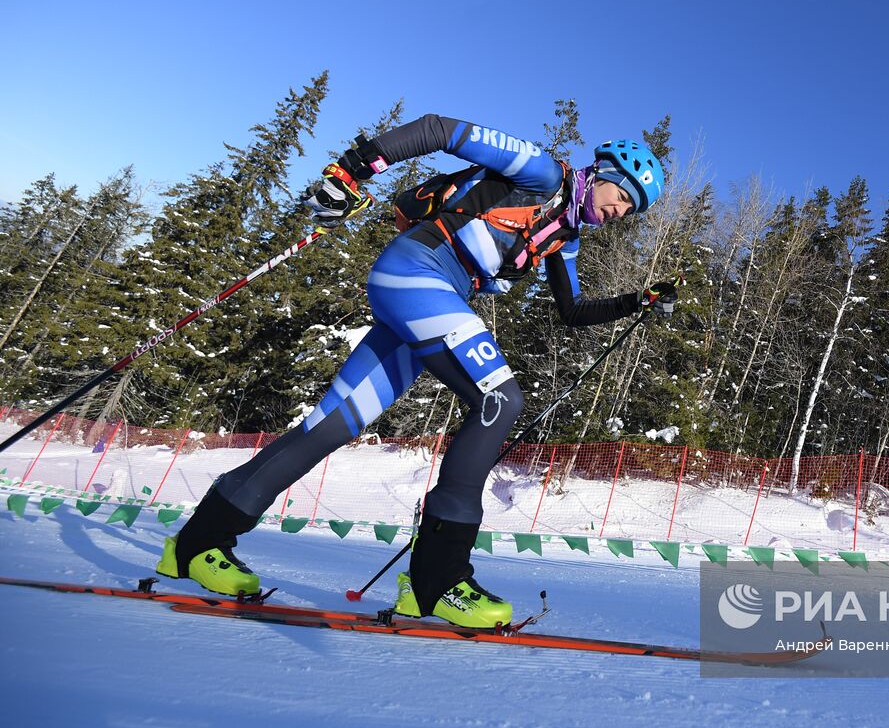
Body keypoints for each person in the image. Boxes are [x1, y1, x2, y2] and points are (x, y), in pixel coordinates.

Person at [156, 114, 677, 627]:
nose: (622, 211)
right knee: (500, 399)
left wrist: (639, 301)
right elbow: (440, 130)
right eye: (624, 196)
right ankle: (438, 581)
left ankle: (197, 545)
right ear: (603, 174)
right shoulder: (539, 173)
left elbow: (572, 312)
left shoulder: (565, 238)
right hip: (416, 273)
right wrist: (353, 170)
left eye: (633, 209)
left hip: (430, 295)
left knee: (333, 424)